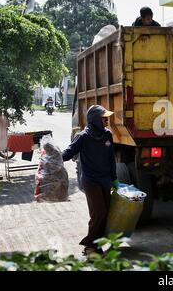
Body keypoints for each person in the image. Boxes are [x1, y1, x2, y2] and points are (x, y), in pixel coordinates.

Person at [62, 105, 119, 255]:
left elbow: (111, 159)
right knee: (98, 213)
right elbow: (69, 152)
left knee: (106, 213)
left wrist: (114, 179)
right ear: (95, 119)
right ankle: (89, 247)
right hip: (91, 181)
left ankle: (97, 245)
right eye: (104, 118)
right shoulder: (83, 136)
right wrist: (53, 158)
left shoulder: (107, 135)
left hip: (105, 180)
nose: (107, 121)